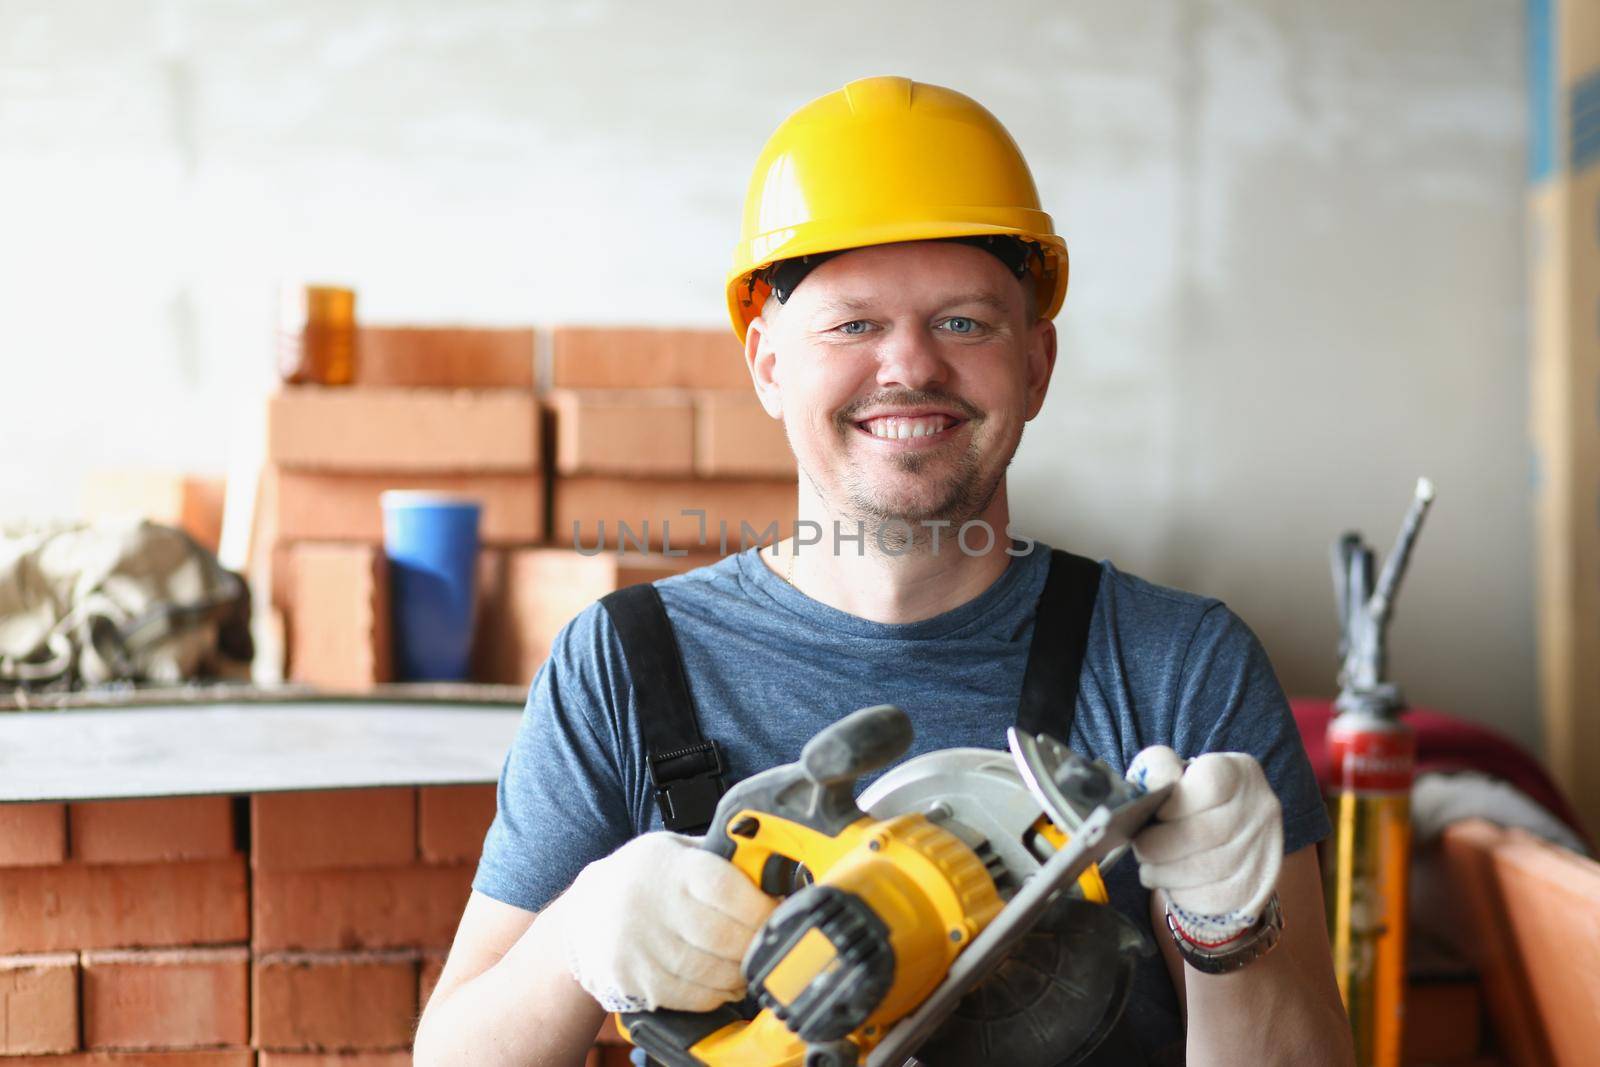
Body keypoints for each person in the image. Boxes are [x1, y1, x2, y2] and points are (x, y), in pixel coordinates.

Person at [414, 76, 1354, 1067]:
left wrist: (1225, 936)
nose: (909, 366)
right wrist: (575, 937)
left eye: (962, 322)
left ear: (1035, 363)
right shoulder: (624, 663)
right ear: (768, 362)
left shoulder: (1177, 666)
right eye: (853, 324)